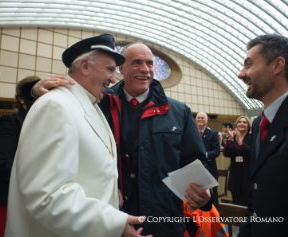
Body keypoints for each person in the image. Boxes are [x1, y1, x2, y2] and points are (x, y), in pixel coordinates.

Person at [22, 42, 212, 237]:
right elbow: (57, 116)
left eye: (150, 63)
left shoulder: (179, 111)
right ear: (121, 68)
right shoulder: (98, 102)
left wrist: (205, 195)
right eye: (136, 62)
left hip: (164, 221)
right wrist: (33, 95)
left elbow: (194, 161)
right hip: (112, 219)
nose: (145, 70)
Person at [5, 34, 151, 237]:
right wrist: (114, 223)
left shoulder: (89, 104)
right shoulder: (55, 106)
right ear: (84, 66)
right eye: (109, 70)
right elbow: (48, 195)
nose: (113, 78)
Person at [237, 34, 288, 237]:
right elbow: (256, 199)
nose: (241, 74)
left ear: (277, 65)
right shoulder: (260, 124)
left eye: (249, 65)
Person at [0, 76, 39, 237]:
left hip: (37, 205)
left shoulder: (44, 123)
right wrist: (41, 173)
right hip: (9, 204)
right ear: (21, 98)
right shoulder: (9, 123)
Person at [223, 116, 251, 206]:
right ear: (236, 124)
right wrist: (230, 140)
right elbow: (226, 154)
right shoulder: (233, 137)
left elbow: (252, 153)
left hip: (247, 174)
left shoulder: (252, 137)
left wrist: (241, 144)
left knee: (247, 202)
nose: (242, 124)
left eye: (244, 122)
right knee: (236, 203)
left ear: (248, 125)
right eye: (239, 122)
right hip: (235, 174)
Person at [195, 112, 220, 209]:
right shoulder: (192, 132)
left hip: (210, 169)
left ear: (207, 120)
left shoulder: (213, 133)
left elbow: (217, 151)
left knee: (212, 198)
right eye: (198, 118)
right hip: (195, 171)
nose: (200, 119)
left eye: (202, 118)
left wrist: (204, 155)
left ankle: (214, 221)